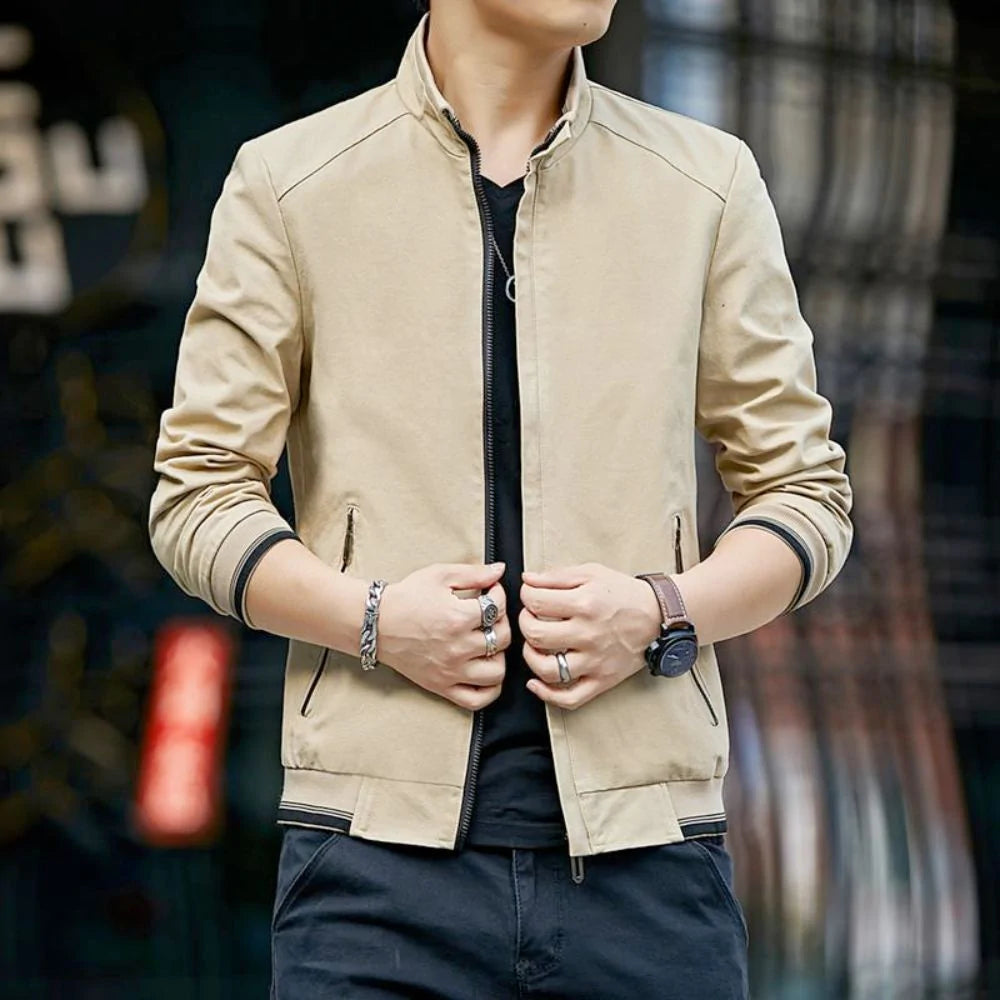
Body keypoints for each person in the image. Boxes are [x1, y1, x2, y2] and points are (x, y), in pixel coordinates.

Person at [148, 0, 853, 995]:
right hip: (370, 869)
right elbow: (198, 495)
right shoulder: (292, 183)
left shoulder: (703, 183)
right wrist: (375, 621)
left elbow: (805, 492)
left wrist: (659, 611)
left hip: (650, 861)